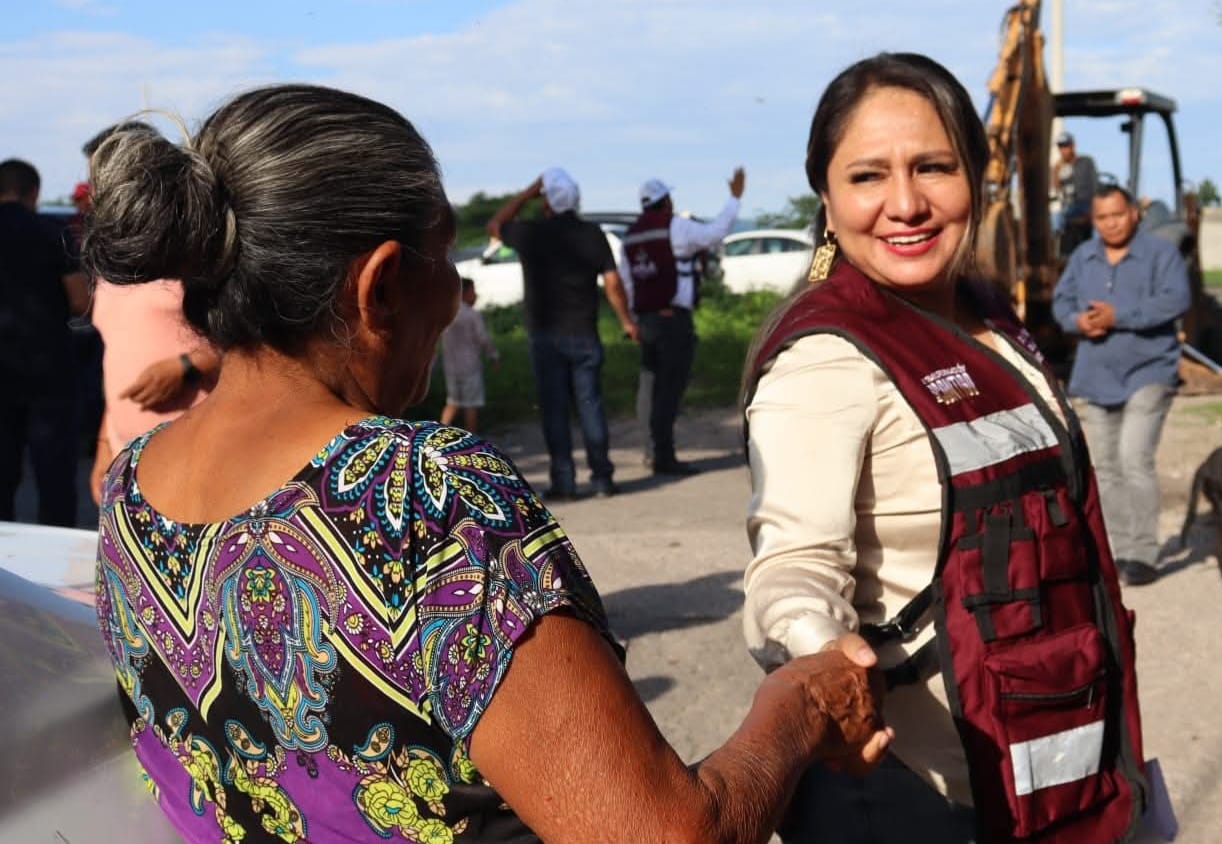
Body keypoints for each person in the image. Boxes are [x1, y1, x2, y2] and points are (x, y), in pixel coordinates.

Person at [85, 83, 888, 843]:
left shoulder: (129, 487)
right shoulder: (421, 496)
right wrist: (800, 703)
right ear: (384, 285)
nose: (460, 287)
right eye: (447, 258)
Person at [742, 53, 1146, 843]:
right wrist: (826, 664)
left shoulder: (991, 321)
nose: (905, 203)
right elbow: (789, 565)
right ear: (826, 199)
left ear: (977, 178)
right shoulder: (827, 357)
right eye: (867, 176)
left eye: (933, 167)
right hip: (919, 797)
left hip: (1052, 765)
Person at [1053, 184, 1192, 587]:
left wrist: (1119, 316)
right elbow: (1062, 304)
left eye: (1117, 214)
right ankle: (1117, 550)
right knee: (1106, 468)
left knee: (1134, 458)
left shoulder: (1160, 253)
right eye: (1102, 218)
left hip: (1149, 372)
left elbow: (1176, 300)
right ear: (1093, 221)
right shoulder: (1084, 257)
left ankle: (1144, 554)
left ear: (1134, 213)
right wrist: (1077, 321)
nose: (1111, 224)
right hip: (1096, 375)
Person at [82, 121, 223, 506]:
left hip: (196, 460)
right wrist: (103, 445)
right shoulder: (110, 265)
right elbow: (116, 361)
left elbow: (254, 345)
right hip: (127, 460)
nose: (97, 191)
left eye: (106, 177)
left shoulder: (196, 254)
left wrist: (187, 366)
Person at [486, 168, 635, 499]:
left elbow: (494, 225)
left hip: (546, 336)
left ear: (546, 203)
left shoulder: (531, 233)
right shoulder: (593, 234)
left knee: (554, 411)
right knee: (590, 406)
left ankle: (564, 483)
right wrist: (626, 320)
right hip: (584, 334)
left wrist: (527, 193)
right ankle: (602, 479)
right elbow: (612, 282)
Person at [620, 168, 743, 475]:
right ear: (665, 202)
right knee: (669, 390)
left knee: (650, 387)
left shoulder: (631, 235)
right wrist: (734, 199)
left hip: (647, 320)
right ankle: (664, 457)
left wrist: (635, 320)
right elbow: (715, 233)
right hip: (673, 321)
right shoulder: (675, 227)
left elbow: (628, 281)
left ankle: (652, 449)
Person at [0, 158, 89, 525]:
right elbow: (80, 300)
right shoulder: (53, 232)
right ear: (33, 192)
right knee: (54, 475)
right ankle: (56, 556)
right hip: (48, 368)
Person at [437, 276, 498, 433]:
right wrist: (493, 356)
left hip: (451, 368)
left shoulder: (446, 314)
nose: (476, 295)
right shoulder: (472, 315)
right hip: (470, 367)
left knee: (453, 402)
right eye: (473, 291)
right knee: (471, 405)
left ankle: (437, 437)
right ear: (464, 293)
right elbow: (483, 338)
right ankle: (472, 441)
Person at [1054, 131, 1099, 255]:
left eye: (1066, 146)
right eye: (1061, 146)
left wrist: (1094, 209)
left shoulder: (1086, 162)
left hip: (1086, 204)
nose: (1063, 150)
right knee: (1054, 220)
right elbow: (1057, 188)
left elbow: (1095, 184)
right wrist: (1056, 171)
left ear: (1073, 146)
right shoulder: (1059, 167)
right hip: (1068, 207)